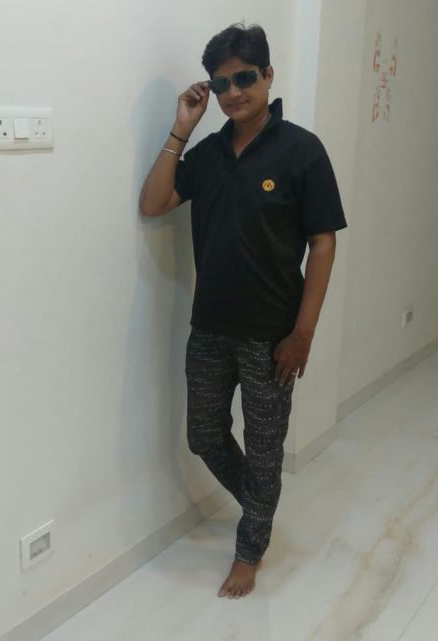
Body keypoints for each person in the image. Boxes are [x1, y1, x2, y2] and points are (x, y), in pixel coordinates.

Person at [139, 22, 347, 599]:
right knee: (204, 436)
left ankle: (250, 549)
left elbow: (323, 242)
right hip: (208, 327)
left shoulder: (302, 150)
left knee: (264, 449)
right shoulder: (208, 154)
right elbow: (154, 202)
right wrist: (181, 129)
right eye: (221, 83)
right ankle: (260, 505)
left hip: (271, 336)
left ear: (268, 76)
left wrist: (303, 333)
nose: (233, 92)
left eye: (245, 78)